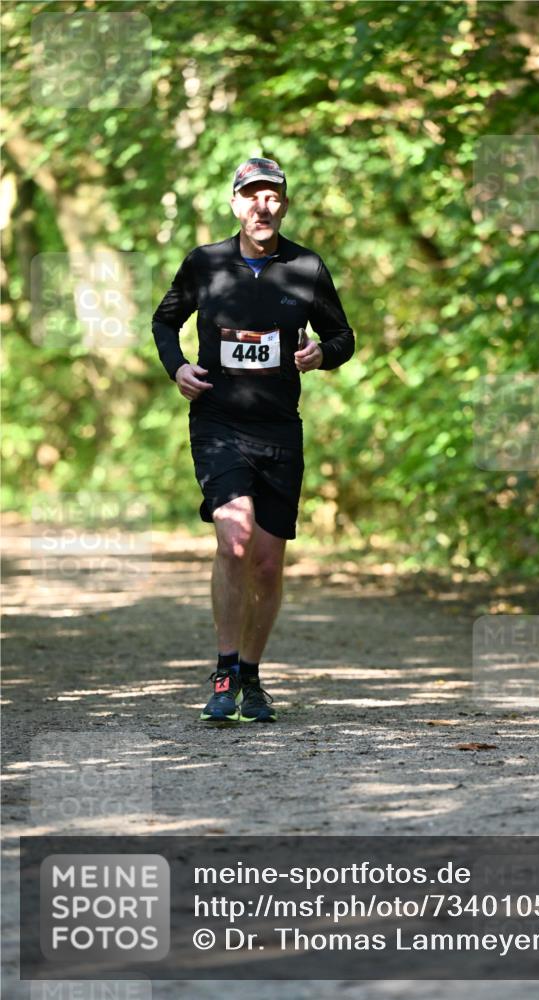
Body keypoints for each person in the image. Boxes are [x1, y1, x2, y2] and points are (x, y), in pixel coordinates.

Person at [152, 156, 354, 724]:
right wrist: (178, 369)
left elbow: (343, 335)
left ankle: (252, 677)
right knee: (234, 539)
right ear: (235, 204)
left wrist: (322, 353)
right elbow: (164, 321)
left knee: (267, 562)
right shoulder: (205, 264)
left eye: (272, 197)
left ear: (283, 205)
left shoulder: (306, 267)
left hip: (279, 428)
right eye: (251, 196)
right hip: (217, 421)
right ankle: (222, 673)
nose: (261, 207)